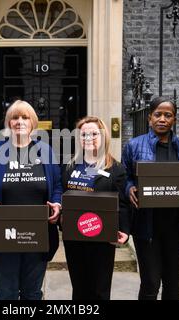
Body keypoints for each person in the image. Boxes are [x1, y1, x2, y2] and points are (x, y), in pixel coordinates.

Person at [0, 100, 62, 300]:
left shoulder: (46, 151)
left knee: (33, 293)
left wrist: (57, 203)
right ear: (8, 123)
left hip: (38, 235)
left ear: (33, 123)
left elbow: (57, 186)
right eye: (15, 117)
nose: (20, 121)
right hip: (3, 236)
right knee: (7, 294)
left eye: (25, 117)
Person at [121, 96, 179, 300]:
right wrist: (129, 188)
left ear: (174, 119)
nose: (162, 119)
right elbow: (124, 177)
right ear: (149, 118)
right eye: (158, 114)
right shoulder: (134, 145)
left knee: (173, 283)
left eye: (168, 115)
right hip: (147, 226)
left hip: (176, 225)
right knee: (150, 283)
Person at [62, 116, 130, 300]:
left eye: (94, 133)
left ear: (103, 137)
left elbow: (122, 203)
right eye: (83, 134)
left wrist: (124, 229)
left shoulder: (115, 169)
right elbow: (63, 199)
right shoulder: (69, 167)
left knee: (100, 290)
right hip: (75, 239)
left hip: (102, 237)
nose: (88, 138)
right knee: (79, 288)